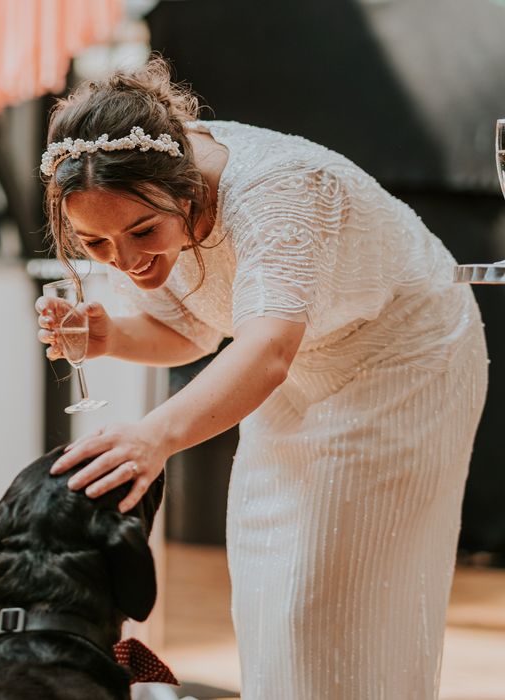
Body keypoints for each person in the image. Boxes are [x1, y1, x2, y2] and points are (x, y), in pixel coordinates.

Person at [34, 57, 488, 699]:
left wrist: (152, 439)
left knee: (334, 598)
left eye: (141, 232)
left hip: (403, 360)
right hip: (295, 371)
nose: (126, 260)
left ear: (184, 189)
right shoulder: (137, 204)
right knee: (271, 587)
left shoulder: (280, 192)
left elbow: (268, 349)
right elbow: (188, 334)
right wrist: (108, 333)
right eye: (96, 244)